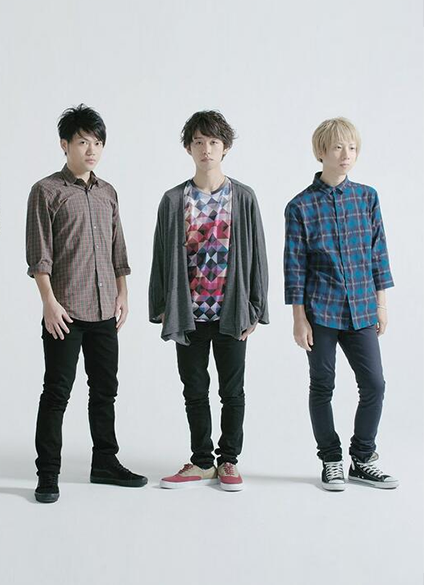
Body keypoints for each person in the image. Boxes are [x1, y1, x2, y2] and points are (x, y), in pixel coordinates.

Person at [26, 104, 147, 503]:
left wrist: (123, 293)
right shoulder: (46, 191)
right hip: (64, 311)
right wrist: (48, 302)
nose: (91, 150)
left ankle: (105, 462)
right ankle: (48, 474)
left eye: (97, 143)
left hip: (104, 310)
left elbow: (118, 248)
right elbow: (39, 255)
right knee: (56, 393)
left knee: (105, 390)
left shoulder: (108, 192)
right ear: (65, 145)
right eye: (82, 142)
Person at [149, 110, 269, 492]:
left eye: (213, 142)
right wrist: (162, 306)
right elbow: (160, 255)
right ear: (188, 148)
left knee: (232, 392)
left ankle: (228, 460)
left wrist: (256, 308)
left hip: (231, 312)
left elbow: (258, 255)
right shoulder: (173, 199)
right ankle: (202, 462)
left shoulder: (243, 197)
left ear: (225, 147)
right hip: (189, 314)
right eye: (198, 142)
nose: (206, 149)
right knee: (194, 391)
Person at [284, 117, 398, 491]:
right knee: (323, 385)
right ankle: (331, 460)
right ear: (321, 152)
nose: (346, 154)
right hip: (321, 311)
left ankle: (362, 459)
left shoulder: (367, 197)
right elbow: (295, 266)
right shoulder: (300, 206)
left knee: (375, 384)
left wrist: (381, 303)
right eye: (337, 147)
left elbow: (378, 252)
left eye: (351, 147)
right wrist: (299, 319)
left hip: (362, 308)